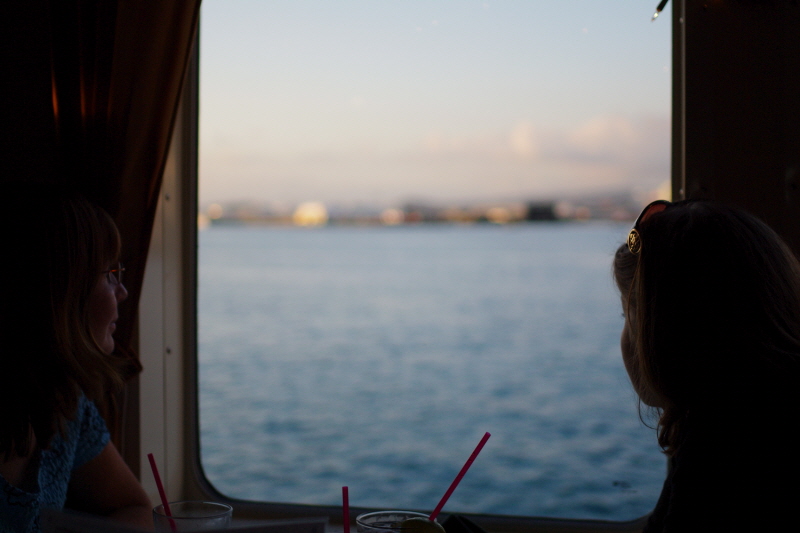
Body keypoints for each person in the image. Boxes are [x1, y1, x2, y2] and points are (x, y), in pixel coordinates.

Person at [613, 199, 800, 532]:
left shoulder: (724, 455)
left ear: (671, 334)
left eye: (628, 316)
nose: (626, 336)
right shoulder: (758, 419)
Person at [0, 188, 152, 532]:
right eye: (109, 273)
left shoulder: (66, 402)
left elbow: (134, 506)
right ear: (62, 292)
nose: (123, 291)